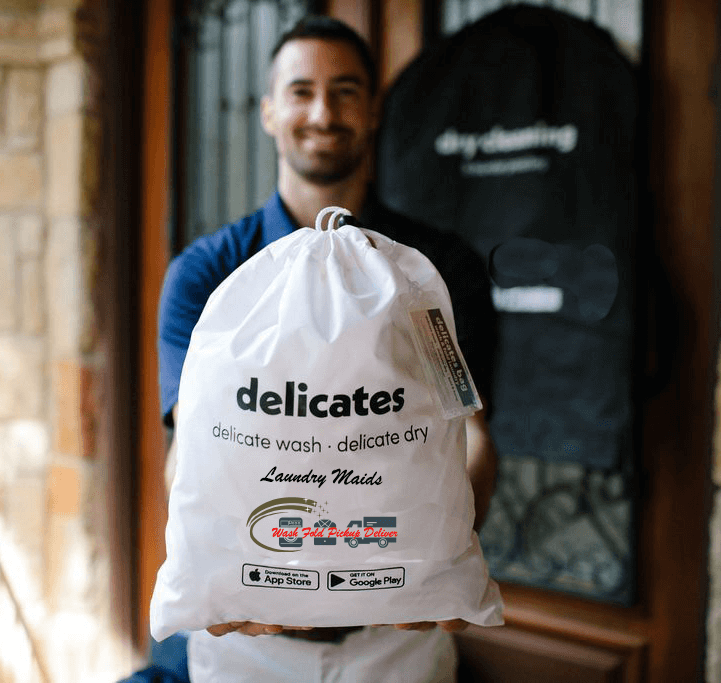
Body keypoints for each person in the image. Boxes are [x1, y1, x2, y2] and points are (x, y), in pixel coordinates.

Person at [157, 15, 498, 683]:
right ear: (268, 110)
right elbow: (189, 452)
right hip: (246, 644)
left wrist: (435, 561)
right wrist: (222, 569)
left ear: (372, 111)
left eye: (345, 91)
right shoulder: (209, 274)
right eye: (301, 90)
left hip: (395, 643)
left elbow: (474, 435)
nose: (322, 111)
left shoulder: (436, 271)